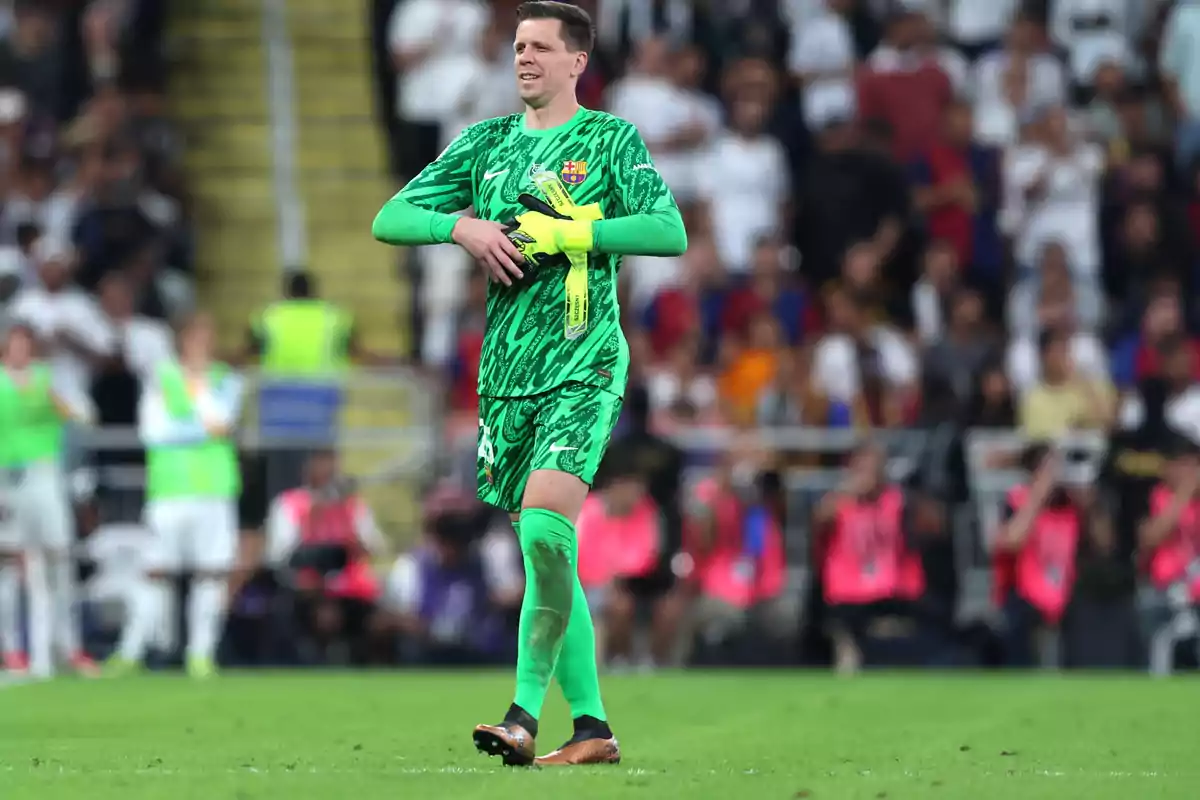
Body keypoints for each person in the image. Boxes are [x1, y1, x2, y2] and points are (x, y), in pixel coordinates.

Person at [371, 1, 687, 767]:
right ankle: (593, 729)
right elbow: (391, 215)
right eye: (518, 46)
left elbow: (667, 230)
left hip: (583, 360)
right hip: (506, 376)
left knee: (547, 531)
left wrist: (576, 231)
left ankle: (522, 715)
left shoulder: (609, 139)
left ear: (578, 62)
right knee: (546, 554)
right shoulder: (484, 145)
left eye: (541, 47)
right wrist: (464, 227)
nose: (524, 58)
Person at [107, 312, 245, 679]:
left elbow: (225, 423)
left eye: (208, 337)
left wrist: (196, 397)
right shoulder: (161, 377)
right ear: (183, 341)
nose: (203, 344)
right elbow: (154, 431)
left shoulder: (226, 380)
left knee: (211, 574)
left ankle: (201, 654)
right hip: (169, 489)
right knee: (155, 572)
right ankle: (130, 650)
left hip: (215, 487)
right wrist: (201, 426)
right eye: (196, 337)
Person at [0, 323, 97, 677]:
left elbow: (85, 416)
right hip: (7, 478)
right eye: (14, 345)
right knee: (10, 566)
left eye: (26, 344)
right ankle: (11, 649)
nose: (20, 351)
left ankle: (67, 646)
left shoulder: (47, 381)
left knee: (58, 560)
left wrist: (64, 405)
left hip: (45, 475)